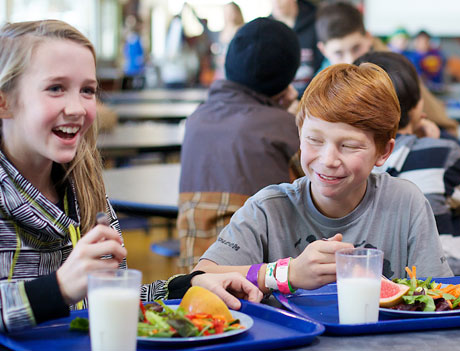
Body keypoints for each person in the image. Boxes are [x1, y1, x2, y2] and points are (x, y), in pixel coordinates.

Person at [0, 20, 262, 333]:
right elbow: (59, 296)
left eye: (87, 91)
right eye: (55, 88)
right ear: (5, 101)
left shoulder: (84, 188)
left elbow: (113, 300)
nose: (77, 108)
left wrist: (190, 286)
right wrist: (58, 288)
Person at [193, 63, 454, 293]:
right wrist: (287, 274)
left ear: (383, 151)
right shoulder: (267, 209)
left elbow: (437, 295)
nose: (328, 160)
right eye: (314, 140)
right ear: (299, 133)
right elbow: (200, 276)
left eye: (349, 146)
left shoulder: (406, 202)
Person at [355, 52, 460, 275]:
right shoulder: (442, 152)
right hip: (448, 280)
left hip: (375, 275)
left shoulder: (353, 162)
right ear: (417, 106)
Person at [178, 18, 301, 271]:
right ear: (287, 76)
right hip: (257, 281)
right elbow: (318, 188)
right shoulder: (285, 127)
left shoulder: (195, 120)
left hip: (193, 278)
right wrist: (294, 115)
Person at [315, 2, 459, 136]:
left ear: (369, 37)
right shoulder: (320, 83)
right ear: (323, 50)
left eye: (356, 48)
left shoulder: (392, 67)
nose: (350, 60)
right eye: (338, 53)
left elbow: (432, 114)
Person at [270, 0, 324, 97]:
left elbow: (324, 63)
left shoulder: (316, 19)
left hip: (314, 96)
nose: (276, 3)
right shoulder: (265, 29)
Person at [211, 2, 245, 81]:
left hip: (235, 71)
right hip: (221, 71)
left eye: (231, 12)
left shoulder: (241, 30)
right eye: (226, 12)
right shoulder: (221, 32)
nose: (229, 15)